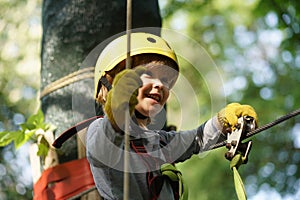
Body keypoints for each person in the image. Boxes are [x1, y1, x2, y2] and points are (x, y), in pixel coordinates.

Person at [86, 32, 258, 200]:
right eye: (148, 74)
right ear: (112, 82)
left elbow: (196, 139)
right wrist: (118, 108)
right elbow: (105, 144)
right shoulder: (101, 132)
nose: (160, 84)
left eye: (166, 81)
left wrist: (222, 121)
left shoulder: (157, 141)